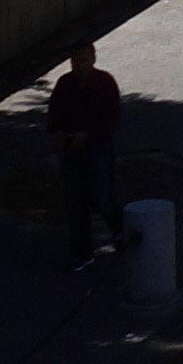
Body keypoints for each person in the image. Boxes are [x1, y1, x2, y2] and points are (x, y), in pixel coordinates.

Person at [46, 45, 125, 271]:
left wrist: (89, 133)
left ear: (92, 59)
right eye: (74, 61)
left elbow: (112, 117)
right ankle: (82, 252)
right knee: (75, 201)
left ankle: (118, 227)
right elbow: (54, 113)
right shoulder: (65, 84)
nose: (78, 65)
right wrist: (59, 132)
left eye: (83, 60)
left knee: (100, 194)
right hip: (71, 147)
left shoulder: (104, 82)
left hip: (97, 144)